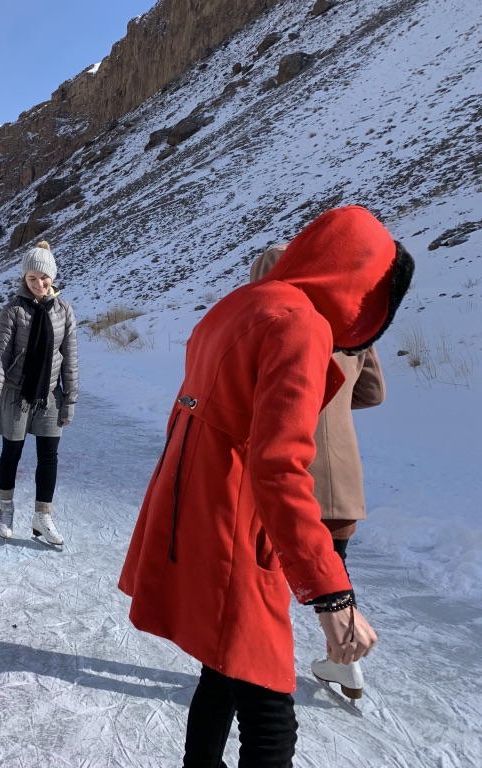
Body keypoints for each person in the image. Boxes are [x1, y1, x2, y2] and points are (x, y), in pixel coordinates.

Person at [118, 206, 414, 766]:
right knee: (269, 709)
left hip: (195, 510)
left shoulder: (240, 304)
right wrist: (333, 596)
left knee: (221, 667)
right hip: (237, 525)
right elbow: (279, 466)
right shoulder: (299, 323)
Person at [251, 243, 387, 701]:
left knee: (264, 584)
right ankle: (345, 664)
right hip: (343, 482)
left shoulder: (269, 323)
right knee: (333, 577)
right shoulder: (346, 327)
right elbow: (373, 393)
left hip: (287, 479)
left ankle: (254, 674)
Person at [0, 241, 78, 545]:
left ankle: (43, 515)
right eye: (32, 278)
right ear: (24, 279)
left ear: (53, 276)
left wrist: (69, 401)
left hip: (50, 394)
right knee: (11, 452)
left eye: (44, 277)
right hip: (16, 393)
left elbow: (70, 358)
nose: (39, 284)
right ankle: (5, 508)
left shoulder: (64, 311)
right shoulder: (13, 310)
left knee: (48, 456)